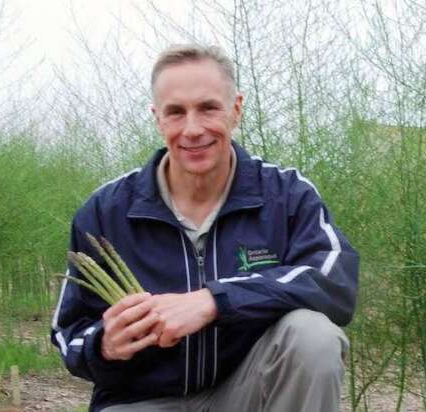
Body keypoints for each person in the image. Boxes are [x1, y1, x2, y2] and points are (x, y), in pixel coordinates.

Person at [50, 44, 358, 412]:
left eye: (208, 108)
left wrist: (214, 301)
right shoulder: (106, 211)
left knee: (313, 335)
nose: (192, 129)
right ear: (158, 119)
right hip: (141, 401)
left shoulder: (286, 195)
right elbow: (67, 335)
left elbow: (335, 283)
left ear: (236, 109)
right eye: (176, 112)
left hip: (247, 393)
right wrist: (104, 344)